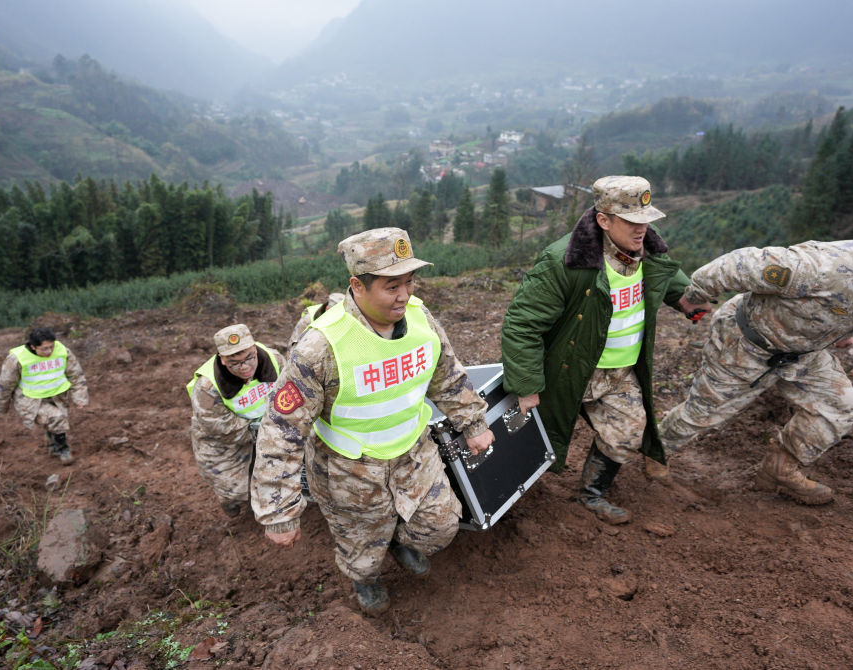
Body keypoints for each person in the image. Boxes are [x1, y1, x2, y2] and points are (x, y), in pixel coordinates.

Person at [252, 227, 495, 615]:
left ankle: (399, 541)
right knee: (362, 549)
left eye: (410, 282)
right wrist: (278, 510)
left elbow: (447, 373)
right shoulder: (321, 346)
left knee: (440, 526)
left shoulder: (420, 318)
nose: (404, 295)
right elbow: (281, 431)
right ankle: (365, 580)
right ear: (357, 286)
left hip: (413, 454)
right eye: (391, 285)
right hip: (349, 470)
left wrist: (474, 423)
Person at [659, 214, 853, 504]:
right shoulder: (820, 268)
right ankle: (655, 457)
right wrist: (694, 296)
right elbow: (736, 265)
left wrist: (842, 334)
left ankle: (779, 469)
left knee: (839, 407)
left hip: (802, 353)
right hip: (746, 342)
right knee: (703, 414)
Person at [501, 176, 709, 525]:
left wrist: (685, 299)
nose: (641, 229)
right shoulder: (564, 261)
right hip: (570, 371)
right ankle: (509, 504)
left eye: (645, 220)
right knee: (534, 443)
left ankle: (592, 493)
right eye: (631, 221)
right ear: (604, 220)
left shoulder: (648, 252)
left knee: (629, 432)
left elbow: (664, 277)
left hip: (621, 371)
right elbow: (522, 324)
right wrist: (526, 386)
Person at [187, 324, 284, 518]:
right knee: (235, 490)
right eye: (235, 363)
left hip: (264, 424)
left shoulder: (276, 360)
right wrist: (265, 430)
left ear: (255, 349)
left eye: (249, 357)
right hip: (223, 438)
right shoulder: (206, 387)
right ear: (222, 360)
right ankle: (231, 501)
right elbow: (223, 428)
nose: (245, 366)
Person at [0, 327, 88, 464]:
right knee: (57, 418)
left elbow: (76, 375)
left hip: (57, 396)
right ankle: (63, 449)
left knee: (55, 419)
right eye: (44, 349)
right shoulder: (17, 359)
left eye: (51, 347)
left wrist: (80, 397)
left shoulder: (62, 351)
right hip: (30, 399)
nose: (49, 352)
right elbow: (5, 384)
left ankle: (53, 445)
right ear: (33, 346)